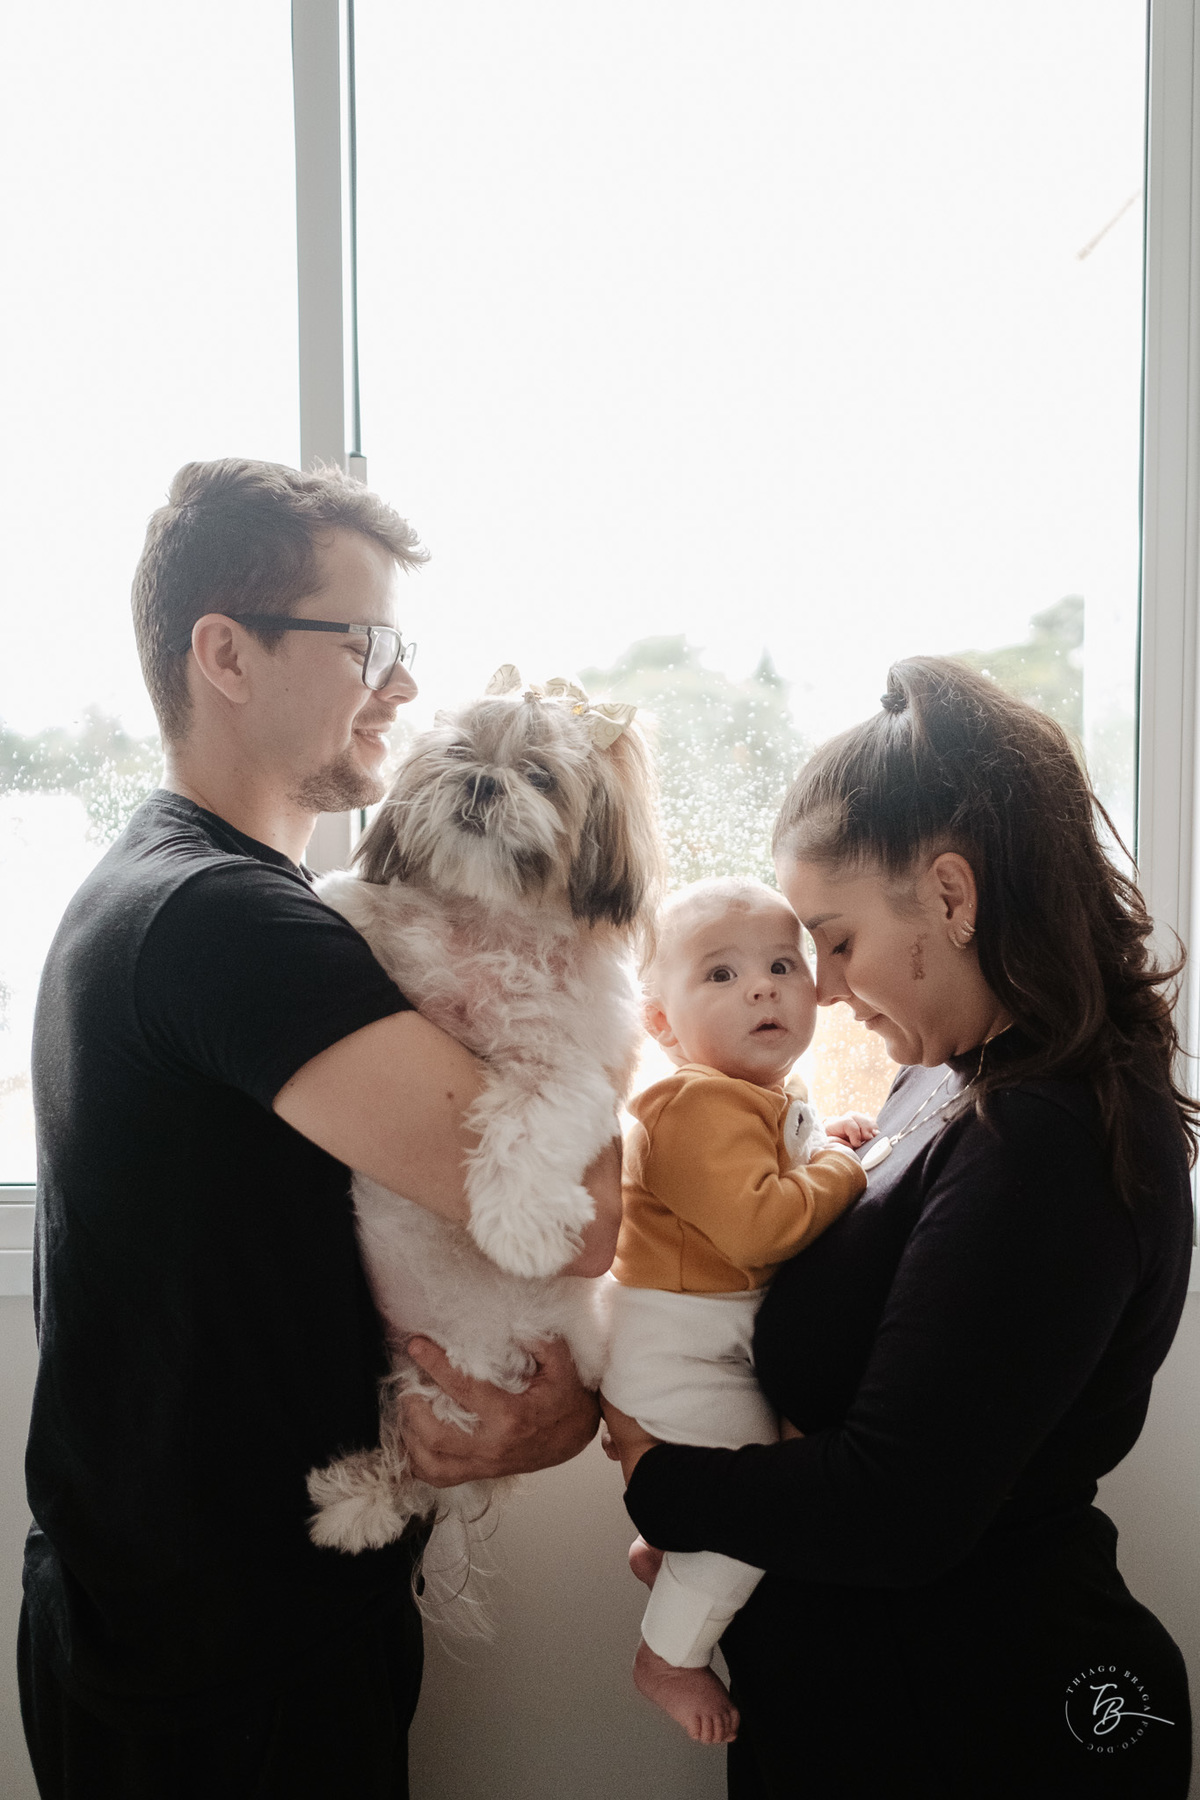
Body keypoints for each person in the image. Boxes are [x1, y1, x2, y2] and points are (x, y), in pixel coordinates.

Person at [20, 458, 621, 1800]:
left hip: (179, 1617)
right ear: (224, 655)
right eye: (370, 644)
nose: (404, 686)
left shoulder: (166, 885)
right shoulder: (232, 925)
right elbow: (591, 1217)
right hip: (222, 1669)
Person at [603, 658, 1195, 1798]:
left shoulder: (1044, 1144)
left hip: (978, 1720)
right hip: (882, 1702)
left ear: (953, 898)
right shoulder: (950, 1080)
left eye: (836, 941)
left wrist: (661, 1479)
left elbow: (897, 1510)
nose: (819, 989)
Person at [602, 878, 868, 1745]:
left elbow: (783, 1162)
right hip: (681, 1349)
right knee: (759, 1504)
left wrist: (829, 1141)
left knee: (755, 1487)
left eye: (783, 965)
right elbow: (762, 1225)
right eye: (720, 975)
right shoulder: (691, 1104)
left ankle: (672, 1559)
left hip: (708, 1339)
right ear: (662, 1024)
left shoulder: (752, 1095)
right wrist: (847, 1167)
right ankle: (666, 1658)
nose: (761, 987)